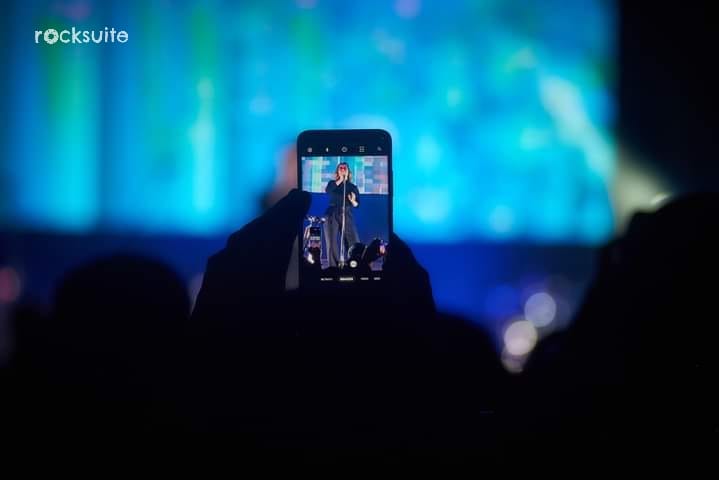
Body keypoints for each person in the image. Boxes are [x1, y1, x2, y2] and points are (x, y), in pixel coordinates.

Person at [324, 162, 360, 268]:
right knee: (331, 241)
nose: (343, 169)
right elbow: (328, 191)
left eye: (345, 168)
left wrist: (353, 201)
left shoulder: (352, 187)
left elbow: (357, 204)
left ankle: (353, 264)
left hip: (346, 212)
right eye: (341, 168)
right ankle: (333, 267)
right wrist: (340, 179)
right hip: (332, 212)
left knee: (352, 239)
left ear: (348, 172)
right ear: (338, 171)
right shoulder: (332, 184)